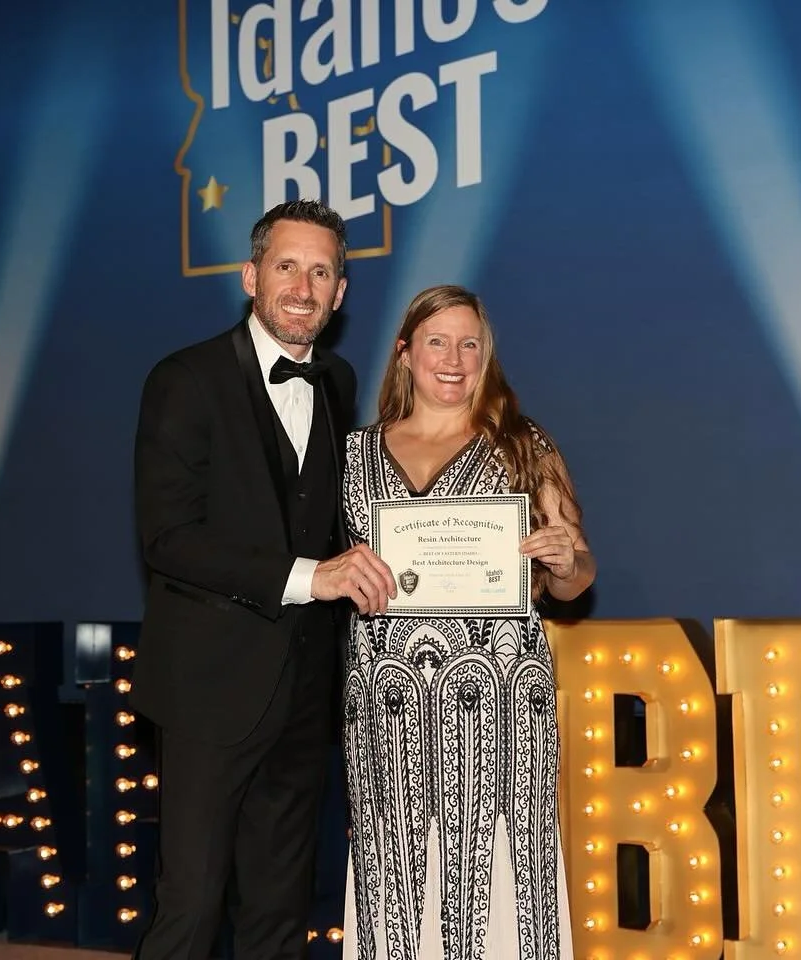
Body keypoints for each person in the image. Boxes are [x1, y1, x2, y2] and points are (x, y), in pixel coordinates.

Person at [129, 198, 397, 960]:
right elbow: (168, 539)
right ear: (251, 276)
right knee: (190, 909)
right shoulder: (185, 379)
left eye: (322, 271)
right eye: (288, 266)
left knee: (280, 915)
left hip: (306, 693)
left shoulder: (340, 382)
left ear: (341, 293)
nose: (304, 287)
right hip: (211, 692)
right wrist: (310, 576)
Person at [339, 284, 596, 958]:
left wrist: (566, 562)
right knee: (392, 862)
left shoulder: (523, 444)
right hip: (388, 708)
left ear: (486, 356)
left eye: (469, 343)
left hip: (504, 708)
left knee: (507, 864)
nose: (453, 358)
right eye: (436, 342)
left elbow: (576, 579)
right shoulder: (350, 457)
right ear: (405, 353)